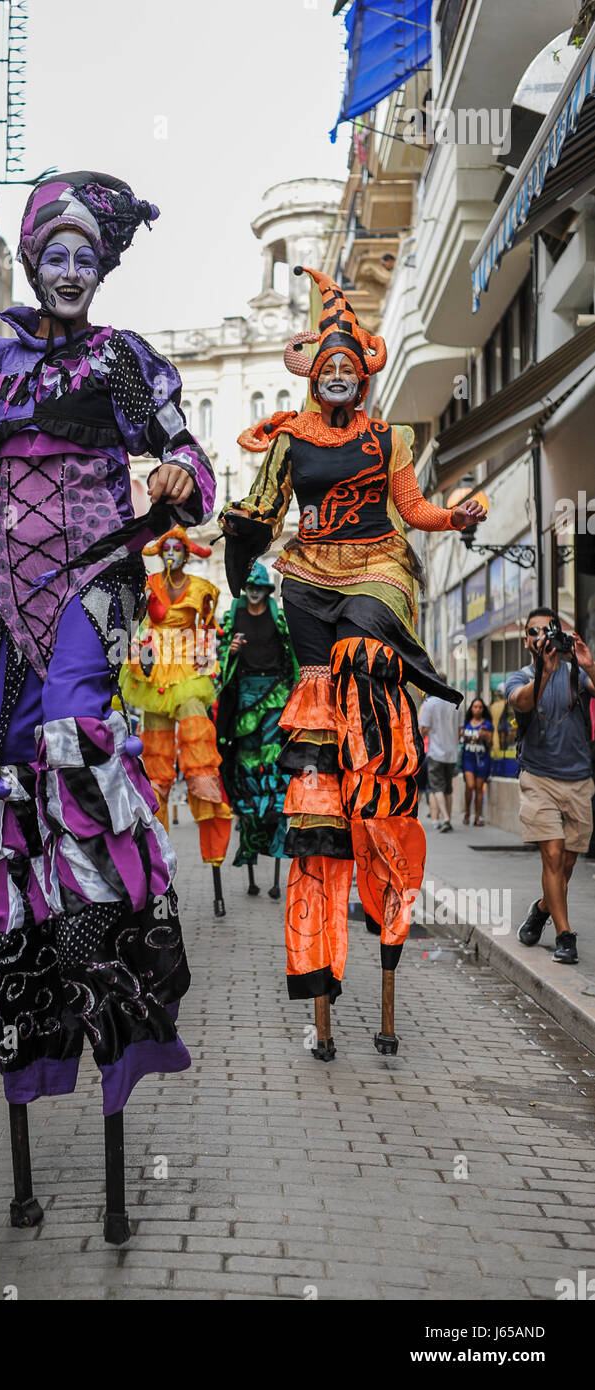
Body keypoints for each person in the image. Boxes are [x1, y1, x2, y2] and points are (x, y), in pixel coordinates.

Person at [0, 170, 215, 1117]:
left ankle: (109, 940)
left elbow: (187, 452)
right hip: (6, 596)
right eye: (54, 254)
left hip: (97, 586)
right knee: (5, 774)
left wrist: (173, 482)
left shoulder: (120, 358)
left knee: (75, 736)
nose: (69, 269)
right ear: (32, 261)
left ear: (100, 268)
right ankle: (26, 972)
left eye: (85, 256)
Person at [221, 267, 485, 1053]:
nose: (338, 372)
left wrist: (454, 516)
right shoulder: (289, 439)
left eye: (350, 364)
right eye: (326, 363)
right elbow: (262, 517)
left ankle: (381, 786)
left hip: (376, 567)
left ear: (363, 373)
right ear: (313, 373)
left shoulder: (388, 438)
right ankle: (319, 921)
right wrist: (236, 533)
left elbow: (413, 510)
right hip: (303, 578)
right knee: (316, 755)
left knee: (365, 653)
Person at [119, 526, 232, 872]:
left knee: (199, 748)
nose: (170, 553)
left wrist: (205, 658)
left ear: (186, 553)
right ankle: (157, 852)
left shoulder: (200, 589)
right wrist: (136, 652)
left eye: (176, 548)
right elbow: (138, 625)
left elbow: (210, 630)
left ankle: (209, 813)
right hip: (155, 677)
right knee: (155, 760)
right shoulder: (150, 586)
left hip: (187, 675)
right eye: (165, 547)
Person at [507, 607, 595, 965]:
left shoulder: (577, 674)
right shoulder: (521, 676)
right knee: (553, 856)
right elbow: (522, 701)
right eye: (533, 632)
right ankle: (565, 935)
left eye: (547, 630)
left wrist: (588, 663)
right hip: (538, 777)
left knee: (568, 865)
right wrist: (544, 672)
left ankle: (543, 908)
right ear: (527, 641)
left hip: (578, 779)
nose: (540, 637)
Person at [215, 561, 298, 890]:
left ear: (267, 590)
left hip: (275, 696)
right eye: (249, 586)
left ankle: (276, 814)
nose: (254, 592)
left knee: (273, 762)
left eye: (259, 587)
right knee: (247, 766)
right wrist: (230, 651)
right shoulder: (231, 617)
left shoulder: (279, 618)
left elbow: (294, 656)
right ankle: (249, 830)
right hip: (244, 698)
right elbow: (220, 656)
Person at [418, 674, 462, 832]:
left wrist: (416, 741)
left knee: (437, 787)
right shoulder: (455, 703)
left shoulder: (430, 704)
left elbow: (424, 729)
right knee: (448, 788)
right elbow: (459, 731)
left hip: (436, 752)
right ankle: (447, 817)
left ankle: (446, 818)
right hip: (452, 752)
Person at [460, 695, 492, 825]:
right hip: (468, 758)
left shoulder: (487, 725)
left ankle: (477, 817)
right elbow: (460, 738)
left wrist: (486, 736)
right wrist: (461, 735)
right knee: (470, 785)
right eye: (475, 707)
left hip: (482, 759)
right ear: (471, 708)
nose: (477, 709)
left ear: (483, 709)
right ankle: (467, 812)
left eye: (480, 707)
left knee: (479, 788)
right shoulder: (466, 723)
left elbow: (490, 744)